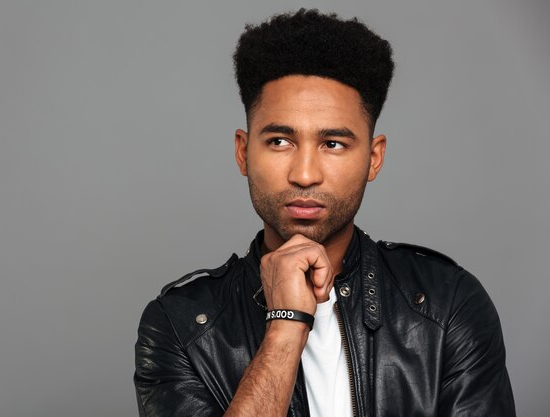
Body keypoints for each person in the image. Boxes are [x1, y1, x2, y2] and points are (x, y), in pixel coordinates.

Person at [134, 9, 516, 417]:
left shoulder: (447, 305)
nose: (304, 174)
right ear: (244, 152)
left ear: (373, 158)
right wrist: (285, 325)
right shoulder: (180, 326)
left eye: (333, 144)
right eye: (280, 141)